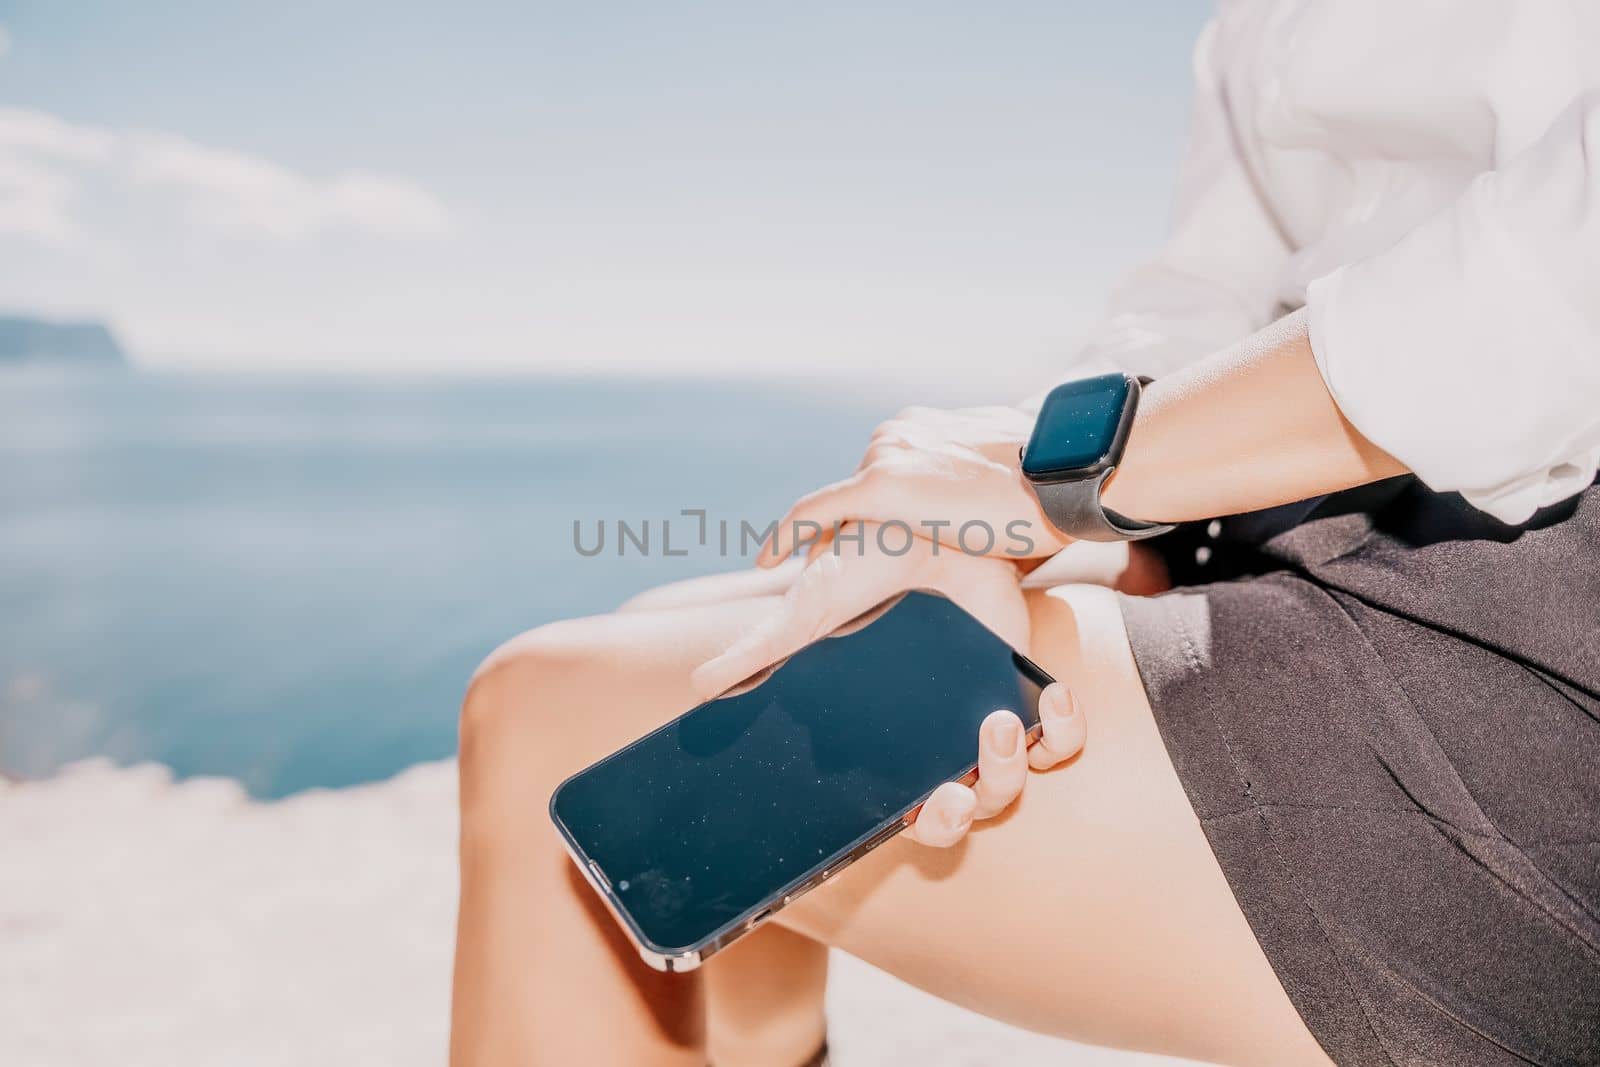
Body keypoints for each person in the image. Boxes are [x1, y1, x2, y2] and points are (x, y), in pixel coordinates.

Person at [451, 4, 1600, 1064]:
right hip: (1277, 496)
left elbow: (1551, 284)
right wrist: (1021, 520)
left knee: (547, 712)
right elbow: (1198, 292)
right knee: (693, 642)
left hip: (1539, 607)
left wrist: (1047, 484)